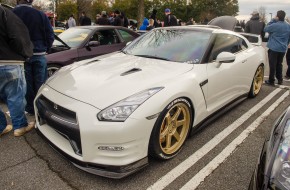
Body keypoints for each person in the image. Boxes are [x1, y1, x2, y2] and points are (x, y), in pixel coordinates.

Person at [13, 0, 54, 115]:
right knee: (41, 83)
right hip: (39, 53)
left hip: (22, 55)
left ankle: (31, 109)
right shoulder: (40, 14)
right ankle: (41, 108)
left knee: (27, 85)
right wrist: (46, 48)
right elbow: (50, 34)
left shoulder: (12, 13)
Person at [0, 4, 35, 137]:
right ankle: (20, 126)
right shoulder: (4, 13)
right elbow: (18, 37)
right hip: (9, 61)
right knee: (15, 96)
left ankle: (1, 126)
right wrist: (26, 53)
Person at [264, 10, 290, 85]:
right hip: (282, 48)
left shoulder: (275, 25)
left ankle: (271, 80)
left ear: (277, 17)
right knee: (279, 64)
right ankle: (280, 79)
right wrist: (286, 44)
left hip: (274, 48)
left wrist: (272, 20)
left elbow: (266, 29)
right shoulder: (288, 26)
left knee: (272, 64)